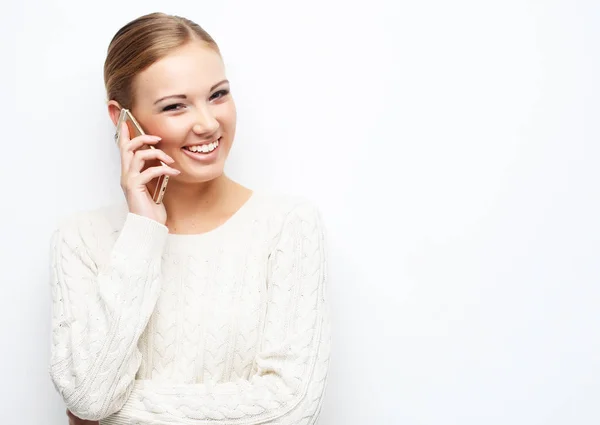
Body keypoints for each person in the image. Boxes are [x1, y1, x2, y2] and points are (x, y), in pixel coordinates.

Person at [48, 12, 331, 425]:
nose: (208, 123)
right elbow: (90, 397)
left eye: (217, 95)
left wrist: (115, 413)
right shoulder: (80, 240)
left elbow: (292, 407)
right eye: (175, 105)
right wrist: (144, 230)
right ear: (122, 119)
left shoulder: (288, 225)